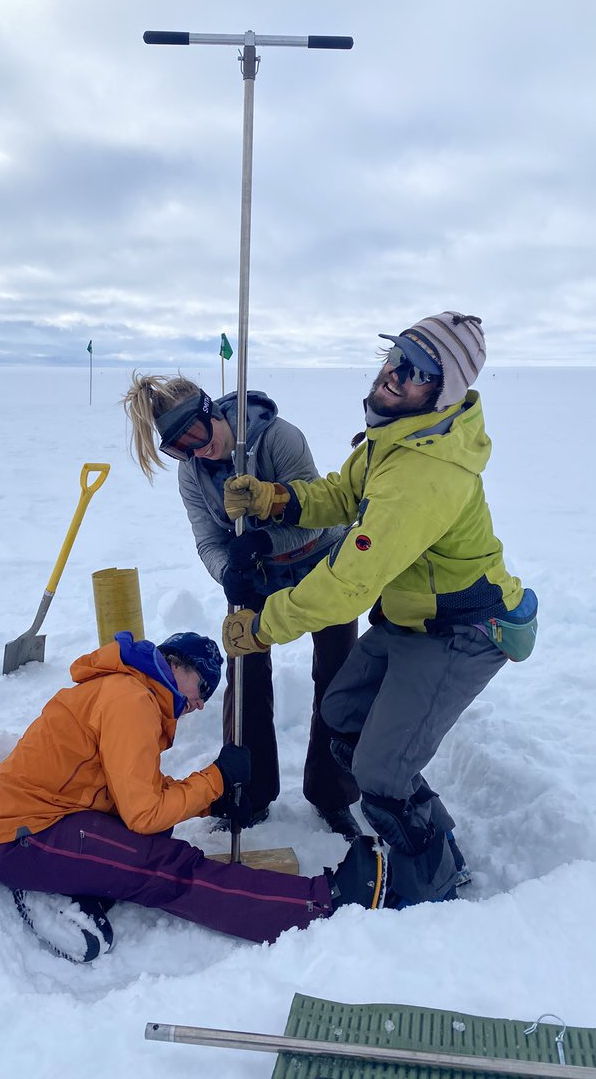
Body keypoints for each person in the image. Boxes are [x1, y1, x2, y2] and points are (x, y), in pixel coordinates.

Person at [220, 312, 538, 908]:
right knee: (341, 715)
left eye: (419, 371)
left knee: (381, 771)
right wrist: (278, 498)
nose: (395, 374)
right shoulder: (396, 437)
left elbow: (348, 586)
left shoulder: (424, 474)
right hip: (410, 619)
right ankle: (400, 804)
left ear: (440, 392)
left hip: (462, 630)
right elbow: (343, 494)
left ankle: (433, 878)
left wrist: (264, 627)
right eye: (396, 355)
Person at [0, 630, 386, 962]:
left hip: (48, 821)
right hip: (26, 838)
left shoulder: (129, 692)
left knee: (154, 839)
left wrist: (215, 796)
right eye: (202, 685)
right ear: (173, 664)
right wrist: (216, 776)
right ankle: (319, 901)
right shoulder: (130, 701)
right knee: (170, 868)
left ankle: (70, 892)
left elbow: (134, 793)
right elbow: (145, 813)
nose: (201, 703)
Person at [122, 375, 361, 840]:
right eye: (179, 449)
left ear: (210, 410)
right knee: (245, 674)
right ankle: (250, 790)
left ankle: (333, 794)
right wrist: (227, 572)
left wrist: (264, 538)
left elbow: (319, 516)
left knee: (339, 676)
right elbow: (207, 540)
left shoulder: (278, 438)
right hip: (256, 576)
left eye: (196, 435)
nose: (195, 451)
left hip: (322, 563)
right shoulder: (192, 474)